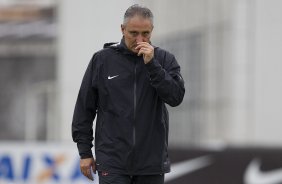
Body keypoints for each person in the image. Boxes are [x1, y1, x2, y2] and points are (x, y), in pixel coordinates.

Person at [72, 4, 185, 184]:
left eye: (146, 33)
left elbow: (175, 97)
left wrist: (152, 66)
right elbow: (84, 108)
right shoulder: (102, 60)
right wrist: (85, 152)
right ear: (123, 29)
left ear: (152, 31)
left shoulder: (164, 59)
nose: (140, 39)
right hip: (113, 162)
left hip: (151, 164)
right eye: (133, 33)